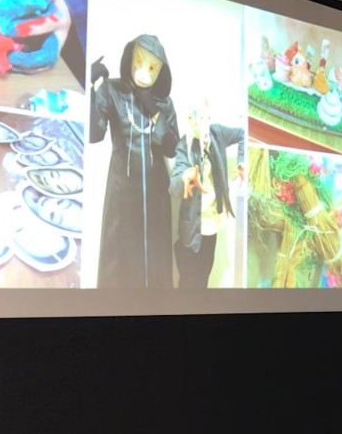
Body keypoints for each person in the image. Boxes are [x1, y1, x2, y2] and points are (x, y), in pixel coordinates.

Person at [89, 34, 179, 288]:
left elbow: (172, 149)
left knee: (155, 258)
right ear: (130, 57)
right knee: (118, 259)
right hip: (122, 190)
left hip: (156, 193)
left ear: (161, 70)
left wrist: (154, 110)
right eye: (140, 61)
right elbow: (94, 134)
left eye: (152, 67)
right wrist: (90, 87)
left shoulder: (164, 104)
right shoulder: (112, 91)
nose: (144, 71)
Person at [170, 100, 245, 288]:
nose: (198, 122)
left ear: (208, 116)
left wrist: (242, 161)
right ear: (188, 119)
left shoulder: (217, 133)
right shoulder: (184, 146)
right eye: (193, 117)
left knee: (204, 276)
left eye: (202, 116)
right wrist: (186, 176)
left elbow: (242, 134)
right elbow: (174, 186)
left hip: (212, 224)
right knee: (188, 281)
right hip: (191, 228)